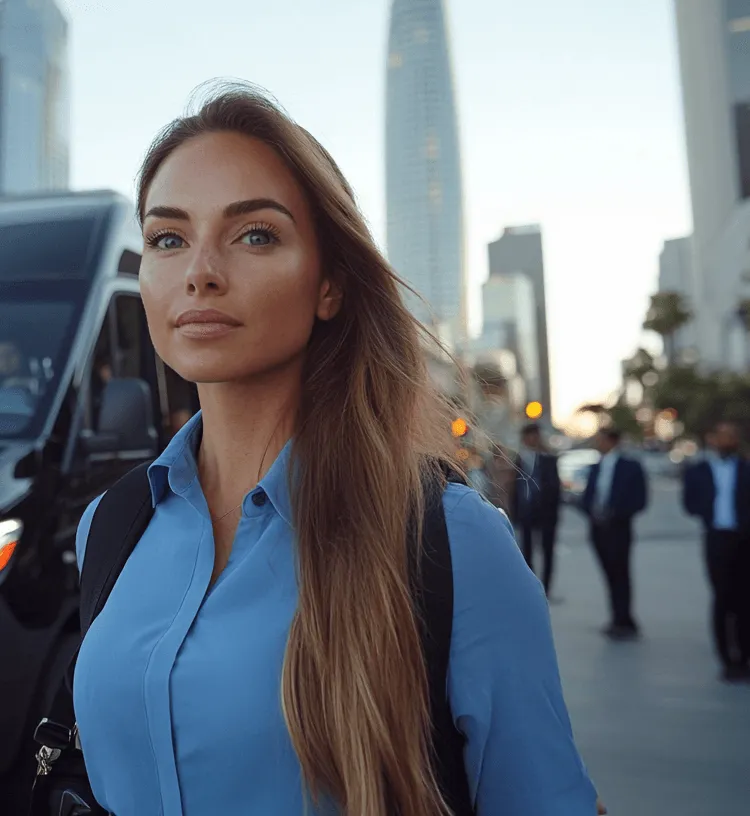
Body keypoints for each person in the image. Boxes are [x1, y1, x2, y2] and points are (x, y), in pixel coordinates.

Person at [71, 83, 598, 815]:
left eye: (254, 234)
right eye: (168, 237)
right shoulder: (111, 526)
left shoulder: (447, 541)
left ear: (329, 286)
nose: (200, 270)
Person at [683, 421, 750, 682]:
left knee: (744, 599)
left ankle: (744, 655)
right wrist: (707, 514)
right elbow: (690, 502)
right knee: (722, 598)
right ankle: (727, 658)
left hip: (744, 540)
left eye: (731, 436)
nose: (726, 441)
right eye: (722, 436)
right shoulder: (699, 470)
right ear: (712, 440)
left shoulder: (745, 469)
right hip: (716, 540)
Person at [581, 428, 648, 640]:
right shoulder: (596, 467)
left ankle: (624, 619)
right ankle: (617, 616)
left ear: (612, 440)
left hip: (619, 528)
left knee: (621, 573)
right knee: (609, 573)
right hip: (598, 529)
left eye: (600, 439)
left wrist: (617, 513)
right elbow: (589, 496)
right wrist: (589, 510)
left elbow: (640, 499)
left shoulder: (631, 467)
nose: (597, 443)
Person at [512, 423, 561, 597]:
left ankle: (547, 588)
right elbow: (513, 489)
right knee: (526, 551)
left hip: (546, 513)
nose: (533, 439)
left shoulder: (548, 459)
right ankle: (530, 588)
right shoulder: (518, 459)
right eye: (529, 436)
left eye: (536, 435)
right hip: (526, 512)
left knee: (547, 551)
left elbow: (555, 488)